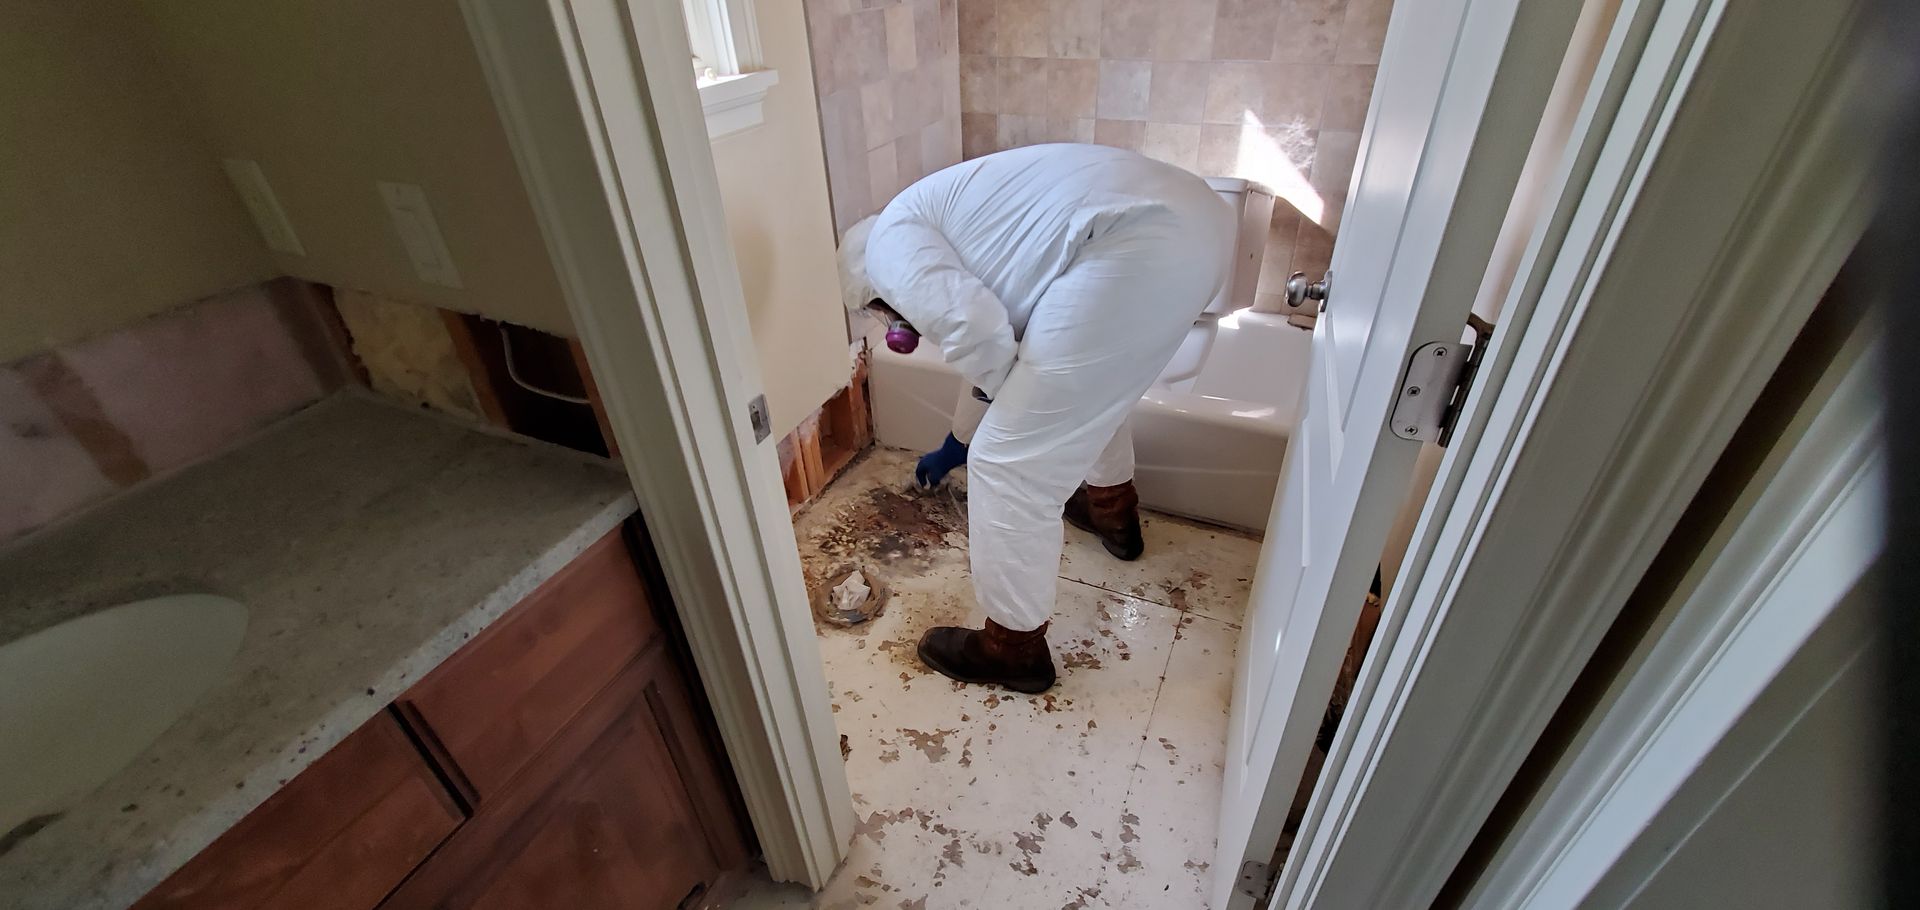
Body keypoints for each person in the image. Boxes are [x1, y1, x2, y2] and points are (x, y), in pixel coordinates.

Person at [840, 143, 1231, 693]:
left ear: (877, 291)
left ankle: (1012, 648)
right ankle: (1111, 513)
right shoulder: (945, 221)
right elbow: (1003, 350)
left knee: (1008, 463)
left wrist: (992, 431)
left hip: (1139, 244)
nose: (897, 323)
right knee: (1087, 394)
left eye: (883, 312)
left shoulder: (887, 251)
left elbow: (975, 331)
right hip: (1197, 222)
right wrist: (969, 430)